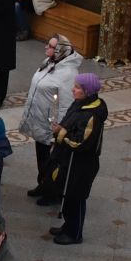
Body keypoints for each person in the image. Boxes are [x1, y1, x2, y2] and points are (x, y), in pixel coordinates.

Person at [41, 73, 106, 246]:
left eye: (77, 88)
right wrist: (60, 128)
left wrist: (60, 133)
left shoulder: (92, 115)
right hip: (68, 159)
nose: (73, 90)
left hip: (81, 164)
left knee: (75, 198)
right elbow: (68, 123)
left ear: (87, 91)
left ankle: (75, 233)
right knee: (67, 196)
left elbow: (80, 142)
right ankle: (68, 226)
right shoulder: (80, 104)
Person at [20, 34, 82, 200]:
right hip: (40, 119)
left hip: (52, 125)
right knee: (42, 157)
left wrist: (59, 130)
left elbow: (66, 105)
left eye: (51, 46)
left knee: (53, 161)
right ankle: (43, 184)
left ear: (61, 50)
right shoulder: (49, 63)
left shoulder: (68, 73)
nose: (46, 48)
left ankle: (52, 193)